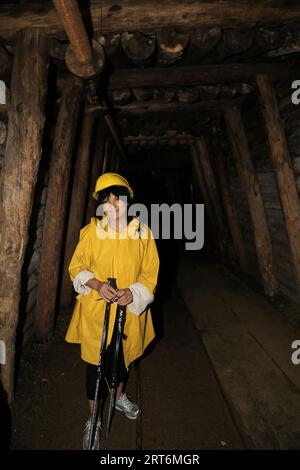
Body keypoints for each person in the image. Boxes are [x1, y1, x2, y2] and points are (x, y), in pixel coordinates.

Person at [65, 172, 160, 450]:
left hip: (128, 310)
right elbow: (76, 267)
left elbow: (150, 272)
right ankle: (93, 419)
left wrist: (133, 292)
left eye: (117, 198)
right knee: (95, 365)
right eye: (106, 200)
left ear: (127, 200)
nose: (113, 205)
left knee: (122, 359)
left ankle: (118, 397)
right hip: (97, 310)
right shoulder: (91, 232)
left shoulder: (143, 233)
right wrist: (96, 284)